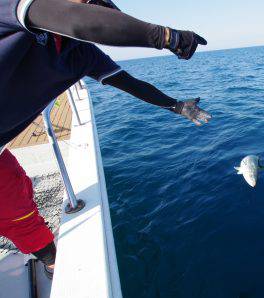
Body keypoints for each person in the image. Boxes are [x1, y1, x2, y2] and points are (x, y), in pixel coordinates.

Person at [0, 0, 211, 279]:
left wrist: (177, 106)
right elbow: (75, 19)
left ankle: (52, 262)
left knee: (18, 205)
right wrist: (166, 37)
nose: (88, 5)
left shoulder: (82, 54)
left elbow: (131, 83)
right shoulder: (14, 8)